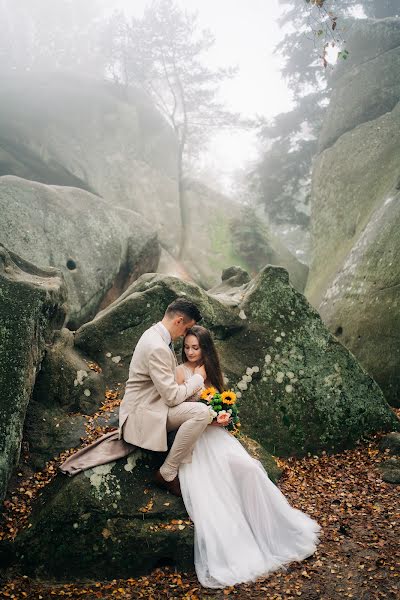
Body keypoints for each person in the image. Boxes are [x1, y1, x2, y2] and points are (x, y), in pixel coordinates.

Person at [176, 325, 321, 589]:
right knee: (217, 492)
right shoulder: (181, 372)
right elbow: (178, 408)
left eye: (195, 347)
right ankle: (241, 549)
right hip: (197, 442)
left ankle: (274, 533)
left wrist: (224, 417)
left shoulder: (211, 372)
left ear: (205, 348)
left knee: (251, 469)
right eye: (186, 347)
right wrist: (206, 417)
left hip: (218, 439)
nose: (190, 351)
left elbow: (221, 401)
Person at [118, 298, 210, 497]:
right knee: (202, 413)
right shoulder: (157, 346)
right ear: (178, 321)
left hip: (150, 405)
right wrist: (197, 379)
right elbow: (171, 397)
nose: (185, 335)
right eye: (187, 329)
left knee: (202, 410)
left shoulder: (154, 334)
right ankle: (167, 472)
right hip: (142, 415)